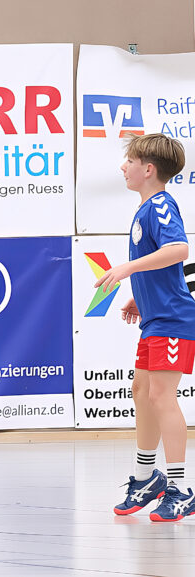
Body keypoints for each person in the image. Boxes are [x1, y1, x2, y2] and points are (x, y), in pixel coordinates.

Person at [97, 133, 195, 522]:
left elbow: (178, 250)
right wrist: (141, 295)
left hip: (174, 319)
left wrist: (127, 269)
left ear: (148, 169)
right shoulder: (145, 209)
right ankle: (146, 477)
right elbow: (163, 264)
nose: (123, 167)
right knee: (141, 391)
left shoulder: (161, 205)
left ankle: (180, 489)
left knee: (161, 396)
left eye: (130, 161)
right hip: (156, 317)